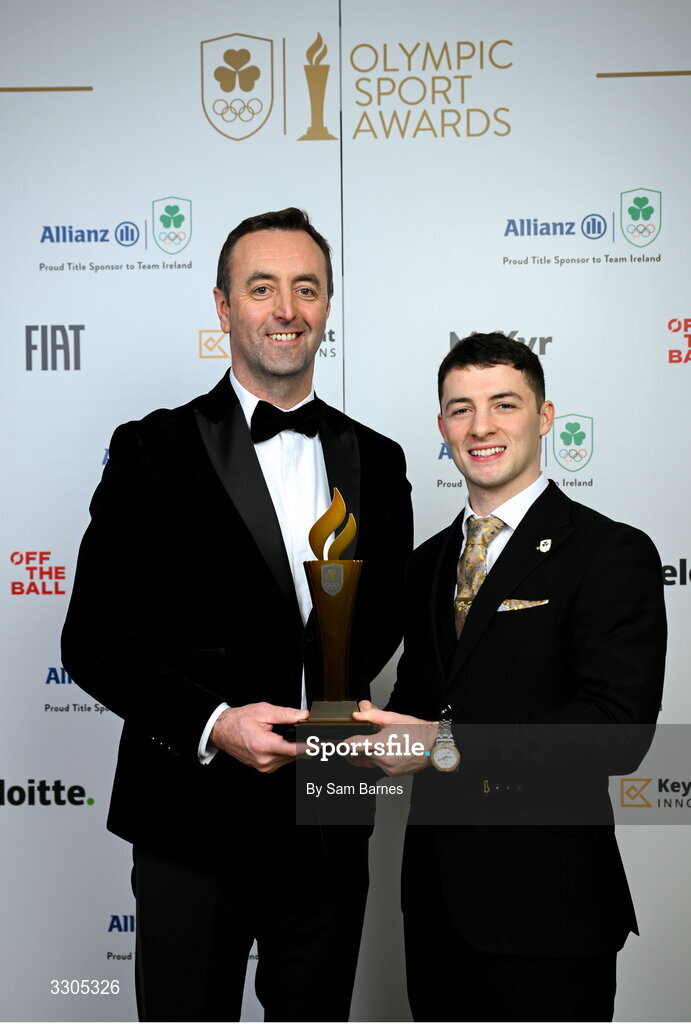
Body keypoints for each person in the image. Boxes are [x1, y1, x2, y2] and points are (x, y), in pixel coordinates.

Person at [61, 207, 413, 1022]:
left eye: (305, 288)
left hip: (328, 817)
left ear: (327, 305)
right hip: (190, 816)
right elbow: (94, 641)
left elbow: (383, 617)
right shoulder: (152, 451)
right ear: (223, 306)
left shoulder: (380, 458)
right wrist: (215, 721)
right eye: (262, 288)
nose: (285, 308)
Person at [353, 332, 666, 1022]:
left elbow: (615, 734)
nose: (481, 427)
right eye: (460, 410)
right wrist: (322, 734)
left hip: (549, 912)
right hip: (434, 909)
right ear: (441, 429)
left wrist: (438, 743)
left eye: (503, 404)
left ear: (544, 416)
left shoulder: (609, 552)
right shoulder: (428, 562)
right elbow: (415, 705)